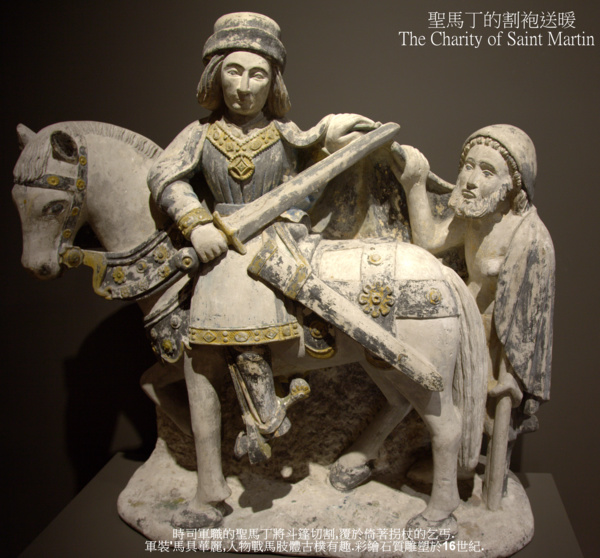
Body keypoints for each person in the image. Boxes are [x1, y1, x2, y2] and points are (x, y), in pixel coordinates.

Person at [148, 12, 376, 464]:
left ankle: (266, 406)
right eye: (234, 71)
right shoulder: (200, 134)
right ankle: (260, 410)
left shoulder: (284, 134)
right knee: (230, 285)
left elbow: (313, 163)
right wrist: (196, 224)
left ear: (273, 82)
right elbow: (164, 176)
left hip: (276, 237)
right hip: (223, 240)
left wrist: (332, 135)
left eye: (258, 74)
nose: (244, 86)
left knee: (250, 283)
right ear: (216, 75)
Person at [391, 125, 555, 488]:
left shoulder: (530, 238)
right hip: (461, 327)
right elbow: (429, 241)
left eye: (487, 171)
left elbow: (530, 318)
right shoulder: (474, 218)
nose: (469, 180)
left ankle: (467, 474)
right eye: (468, 166)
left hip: (496, 340)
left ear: (512, 185)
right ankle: (455, 469)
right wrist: (414, 184)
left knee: (478, 413)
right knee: (443, 402)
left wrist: (511, 371)